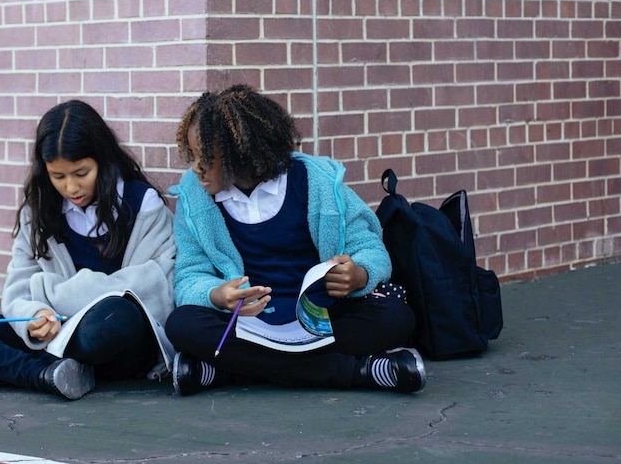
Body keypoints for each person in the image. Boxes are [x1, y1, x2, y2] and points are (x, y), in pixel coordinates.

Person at [164, 84, 426, 396]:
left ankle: (224, 371)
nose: (195, 168)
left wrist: (359, 275)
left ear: (241, 151)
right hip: (247, 325)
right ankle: (360, 371)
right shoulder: (195, 196)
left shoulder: (318, 181)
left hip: (320, 319)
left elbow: (369, 247)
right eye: (191, 156)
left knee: (396, 318)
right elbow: (188, 276)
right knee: (182, 325)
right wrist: (216, 295)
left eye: (204, 156)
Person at [0, 100, 176, 400]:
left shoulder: (143, 205)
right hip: (52, 336)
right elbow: (18, 290)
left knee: (114, 315)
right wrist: (34, 315)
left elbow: (157, 286)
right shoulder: (40, 209)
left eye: (81, 172)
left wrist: (53, 295)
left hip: (112, 340)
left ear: (102, 161)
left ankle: (10, 366)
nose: (71, 187)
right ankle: (42, 374)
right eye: (58, 176)